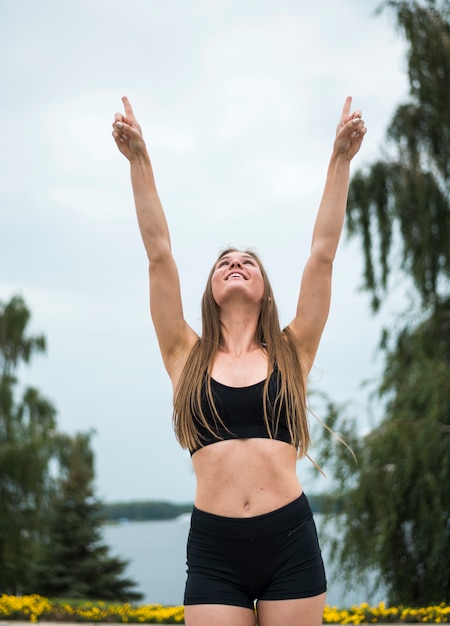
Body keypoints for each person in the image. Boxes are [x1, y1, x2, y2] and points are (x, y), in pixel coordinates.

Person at [112, 95, 366, 626]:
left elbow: (323, 252)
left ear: (266, 291)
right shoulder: (183, 354)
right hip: (215, 549)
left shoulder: (292, 353)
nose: (235, 263)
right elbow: (159, 253)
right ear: (209, 290)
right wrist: (140, 161)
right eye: (225, 262)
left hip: (290, 542)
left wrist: (340, 160)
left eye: (248, 261)